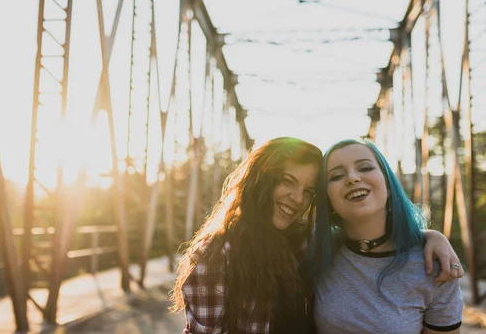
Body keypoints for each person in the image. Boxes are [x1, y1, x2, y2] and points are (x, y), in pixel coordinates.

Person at [170, 137, 463, 334]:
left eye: (308, 192)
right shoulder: (220, 254)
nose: (298, 199)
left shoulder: (308, 244)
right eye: (287, 181)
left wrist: (430, 235)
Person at [312, 139, 463, 334]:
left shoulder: (435, 265)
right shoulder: (315, 250)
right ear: (328, 199)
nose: (352, 178)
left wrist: (432, 236)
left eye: (365, 168)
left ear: (389, 185)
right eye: (337, 176)